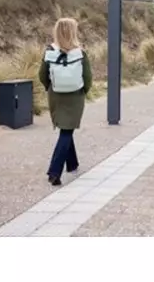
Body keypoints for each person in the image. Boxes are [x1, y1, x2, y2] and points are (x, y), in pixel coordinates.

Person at [39, 17, 92, 186]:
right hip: (75, 96)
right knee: (67, 131)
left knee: (65, 127)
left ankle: (72, 164)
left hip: (56, 95)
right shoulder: (80, 53)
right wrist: (83, 91)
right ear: (73, 32)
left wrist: (50, 87)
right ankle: (54, 171)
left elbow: (42, 75)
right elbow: (88, 77)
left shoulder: (49, 51)